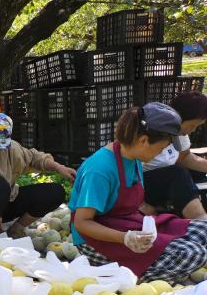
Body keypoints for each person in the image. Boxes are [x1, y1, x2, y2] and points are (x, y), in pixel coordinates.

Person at [70, 102, 207, 285]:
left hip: (126, 223)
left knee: (203, 231)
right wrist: (125, 238)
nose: (161, 152)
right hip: (95, 240)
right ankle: (133, 282)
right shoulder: (100, 169)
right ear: (143, 140)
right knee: (193, 254)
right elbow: (82, 223)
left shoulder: (132, 157)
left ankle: (149, 266)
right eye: (161, 148)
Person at [142, 91, 207, 219]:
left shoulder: (180, 134)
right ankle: (201, 222)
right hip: (140, 182)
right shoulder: (154, 133)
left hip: (164, 176)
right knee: (178, 174)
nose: (193, 130)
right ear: (180, 118)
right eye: (192, 125)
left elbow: (183, 157)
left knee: (197, 173)